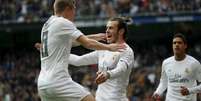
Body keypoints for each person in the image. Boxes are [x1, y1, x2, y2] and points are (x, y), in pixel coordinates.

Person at [37, 0, 125, 101]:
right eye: (74, 10)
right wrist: (109, 47)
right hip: (58, 81)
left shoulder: (47, 24)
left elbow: (71, 42)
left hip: (43, 85)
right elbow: (87, 43)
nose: (74, 14)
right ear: (68, 9)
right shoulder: (63, 22)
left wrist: (96, 36)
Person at [69, 17, 134, 101]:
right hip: (100, 98)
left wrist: (108, 74)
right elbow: (78, 60)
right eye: (107, 28)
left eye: (111, 28)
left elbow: (121, 69)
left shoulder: (126, 51)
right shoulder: (103, 50)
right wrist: (59, 54)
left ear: (121, 31)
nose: (107, 30)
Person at [152, 33, 201, 101]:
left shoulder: (194, 63)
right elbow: (164, 82)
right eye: (174, 43)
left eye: (179, 43)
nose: (176, 45)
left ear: (185, 46)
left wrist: (190, 91)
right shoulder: (166, 63)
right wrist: (157, 92)